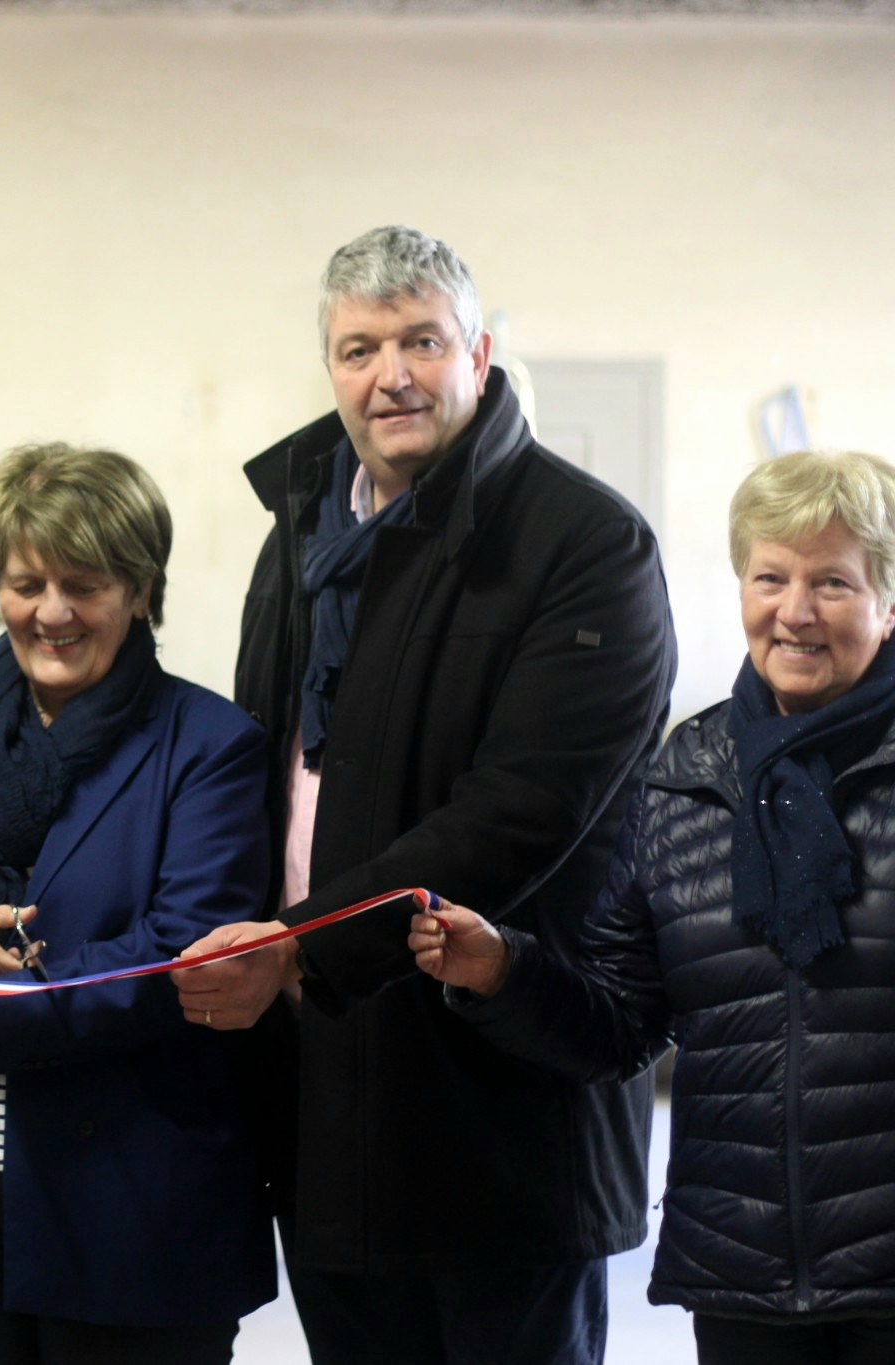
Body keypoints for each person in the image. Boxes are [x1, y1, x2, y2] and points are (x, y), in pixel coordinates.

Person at [173, 225, 678, 1365]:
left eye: (419, 341)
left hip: (492, 1090)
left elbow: (525, 811)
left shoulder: (584, 543)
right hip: (324, 1084)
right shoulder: (304, 529)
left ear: (479, 354)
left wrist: (304, 944)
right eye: (357, 349)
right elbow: (270, 761)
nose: (387, 374)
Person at [412, 450, 895, 1365]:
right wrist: (504, 969)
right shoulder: (685, 775)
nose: (795, 610)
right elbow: (623, 1024)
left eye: (833, 581)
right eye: (771, 576)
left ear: (887, 603)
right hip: (744, 1267)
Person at [0, 444, 275, 1364]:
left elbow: (180, 955)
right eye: (27, 582)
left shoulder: (209, 746)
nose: (52, 612)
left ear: (142, 590)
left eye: (86, 583)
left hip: (128, 1210)